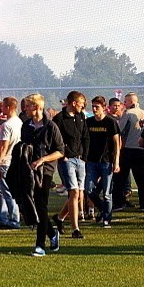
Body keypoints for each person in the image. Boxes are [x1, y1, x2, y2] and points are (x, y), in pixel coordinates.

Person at [20, 94, 64, 257]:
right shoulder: (26, 126)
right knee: (33, 206)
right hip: (29, 170)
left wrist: (42, 160)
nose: (25, 109)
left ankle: (40, 245)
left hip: (45, 171)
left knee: (41, 204)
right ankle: (52, 233)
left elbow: (60, 151)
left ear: (36, 107)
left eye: (28, 106)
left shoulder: (51, 127)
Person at [52, 91, 89, 239]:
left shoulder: (81, 117)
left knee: (79, 195)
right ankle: (75, 229)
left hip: (80, 160)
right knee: (73, 192)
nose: (83, 106)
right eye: (81, 103)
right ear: (73, 103)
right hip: (67, 161)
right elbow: (56, 140)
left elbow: (85, 136)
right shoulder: (59, 119)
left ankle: (59, 218)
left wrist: (85, 157)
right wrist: (65, 155)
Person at [85, 96, 120, 228]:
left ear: (104, 108)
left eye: (97, 107)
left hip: (106, 161)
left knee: (106, 193)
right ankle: (103, 209)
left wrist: (116, 162)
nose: (94, 109)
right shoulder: (88, 122)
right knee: (89, 190)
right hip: (91, 161)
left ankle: (107, 218)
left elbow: (117, 143)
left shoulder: (110, 122)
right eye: (93, 106)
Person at [113, 92, 144, 212]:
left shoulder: (128, 113)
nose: (124, 104)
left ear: (131, 102)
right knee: (141, 179)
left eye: (126, 101)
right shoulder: (143, 112)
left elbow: (119, 130)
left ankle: (118, 203)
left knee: (120, 179)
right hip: (140, 150)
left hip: (128, 149)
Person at [0, 96, 22, 229]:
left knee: (7, 191)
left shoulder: (6, 125)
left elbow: (3, 146)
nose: (2, 110)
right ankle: (3, 217)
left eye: (3, 107)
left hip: (5, 161)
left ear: (8, 107)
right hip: (14, 160)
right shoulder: (19, 122)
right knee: (1, 190)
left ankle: (14, 219)